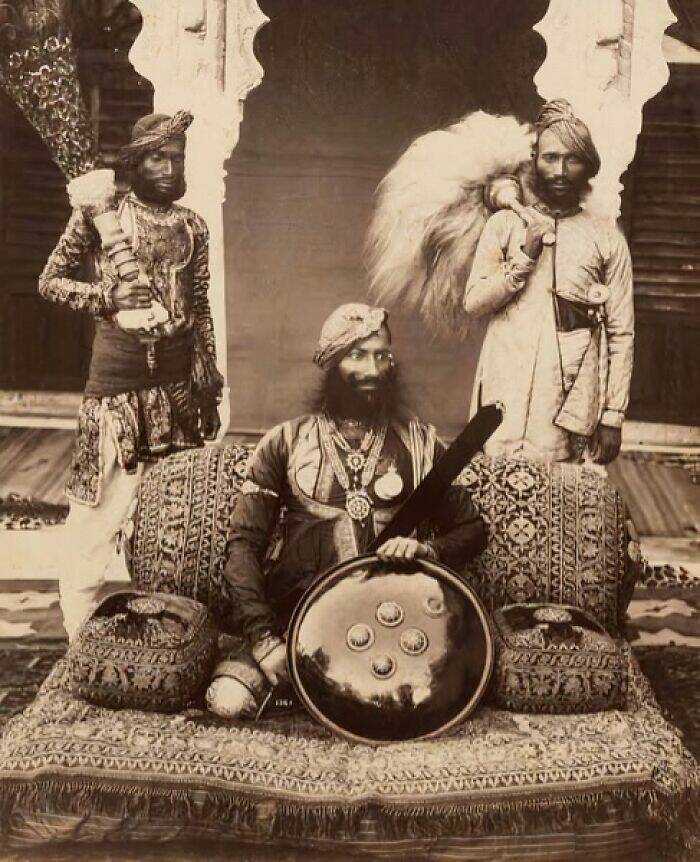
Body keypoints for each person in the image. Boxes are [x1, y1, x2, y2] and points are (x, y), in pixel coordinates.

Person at [207, 303, 487, 718]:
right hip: (297, 621)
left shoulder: (420, 443)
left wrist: (427, 551)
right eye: (357, 356)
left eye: (381, 355)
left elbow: (473, 529)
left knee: (417, 705)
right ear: (332, 362)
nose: (372, 369)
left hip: (397, 624)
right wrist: (264, 640)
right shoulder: (285, 442)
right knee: (230, 701)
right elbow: (243, 547)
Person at [38, 111, 224, 640]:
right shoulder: (102, 216)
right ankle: (79, 640)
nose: (169, 168)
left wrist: (208, 377)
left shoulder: (193, 225)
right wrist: (108, 295)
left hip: (179, 391)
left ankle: (174, 635)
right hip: (116, 394)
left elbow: (200, 307)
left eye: (177, 157)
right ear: (135, 163)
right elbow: (50, 281)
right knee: (96, 517)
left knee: (176, 518)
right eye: (157, 158)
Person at [464, 99, 634, 464]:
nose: (560, 171)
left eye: (572, 160)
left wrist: (612, 416)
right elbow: (474, 303)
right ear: (535, 161)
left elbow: (621, 332)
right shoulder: (505, 224)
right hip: (502, 386)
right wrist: (524, 258)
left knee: (558, 485)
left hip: (567, 396)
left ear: (588, 166)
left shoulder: (606, 237)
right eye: (550, 158)